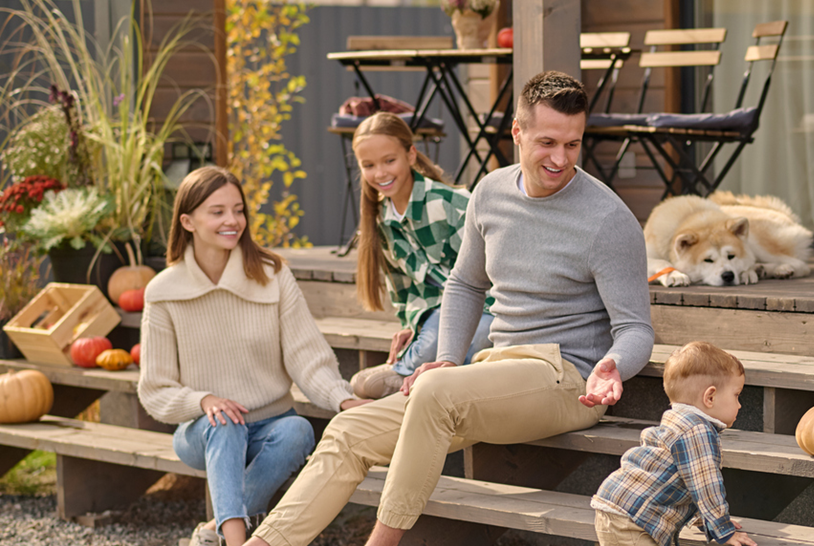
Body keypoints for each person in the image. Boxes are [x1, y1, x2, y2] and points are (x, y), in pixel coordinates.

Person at [245, 70, 655, 546]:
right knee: (347, 430)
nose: (560, 158)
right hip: (494, 368)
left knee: (436, 391)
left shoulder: (607, 219)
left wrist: (613, 364)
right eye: (547, 143)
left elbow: (635, 329)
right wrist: (445, 356)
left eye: (572, 144)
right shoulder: (490, 193)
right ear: (517, 133)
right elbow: (464, 284)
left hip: (566, 377)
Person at [137, 167, 371, 546]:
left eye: (238, 210)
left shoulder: (272, 275)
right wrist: (203, 401)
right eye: (217, 212)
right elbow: (155, 390)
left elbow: (306, 356)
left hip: (270, 426)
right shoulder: (164, 291)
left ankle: (214, 531)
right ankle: (236, 540)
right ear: (187, 221)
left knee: (298, 430)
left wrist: (342, 398)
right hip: (202, 431)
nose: (232, 221)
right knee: (225, 422)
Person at [347, 112, 494, 399]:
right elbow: (404, 292)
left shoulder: (450, 204)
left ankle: (407, 374)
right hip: (438, 318)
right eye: (369, 165)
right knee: (438, 328)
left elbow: (492, 273)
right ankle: (428, 378)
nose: (380, 173)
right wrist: (411, 325)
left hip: (485, 311)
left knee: (463, 332)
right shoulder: (381, 224)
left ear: (411, 156)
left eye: (390, 161)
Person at [591, 341, 757, 546]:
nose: (739, 405)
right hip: (633, 519)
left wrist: (708, 520)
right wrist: (723, 529)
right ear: (710, 397)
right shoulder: (697, 430)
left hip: (622, 508)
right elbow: (705, 484)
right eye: (736, 395)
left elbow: (683, 481)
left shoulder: (676, 420)